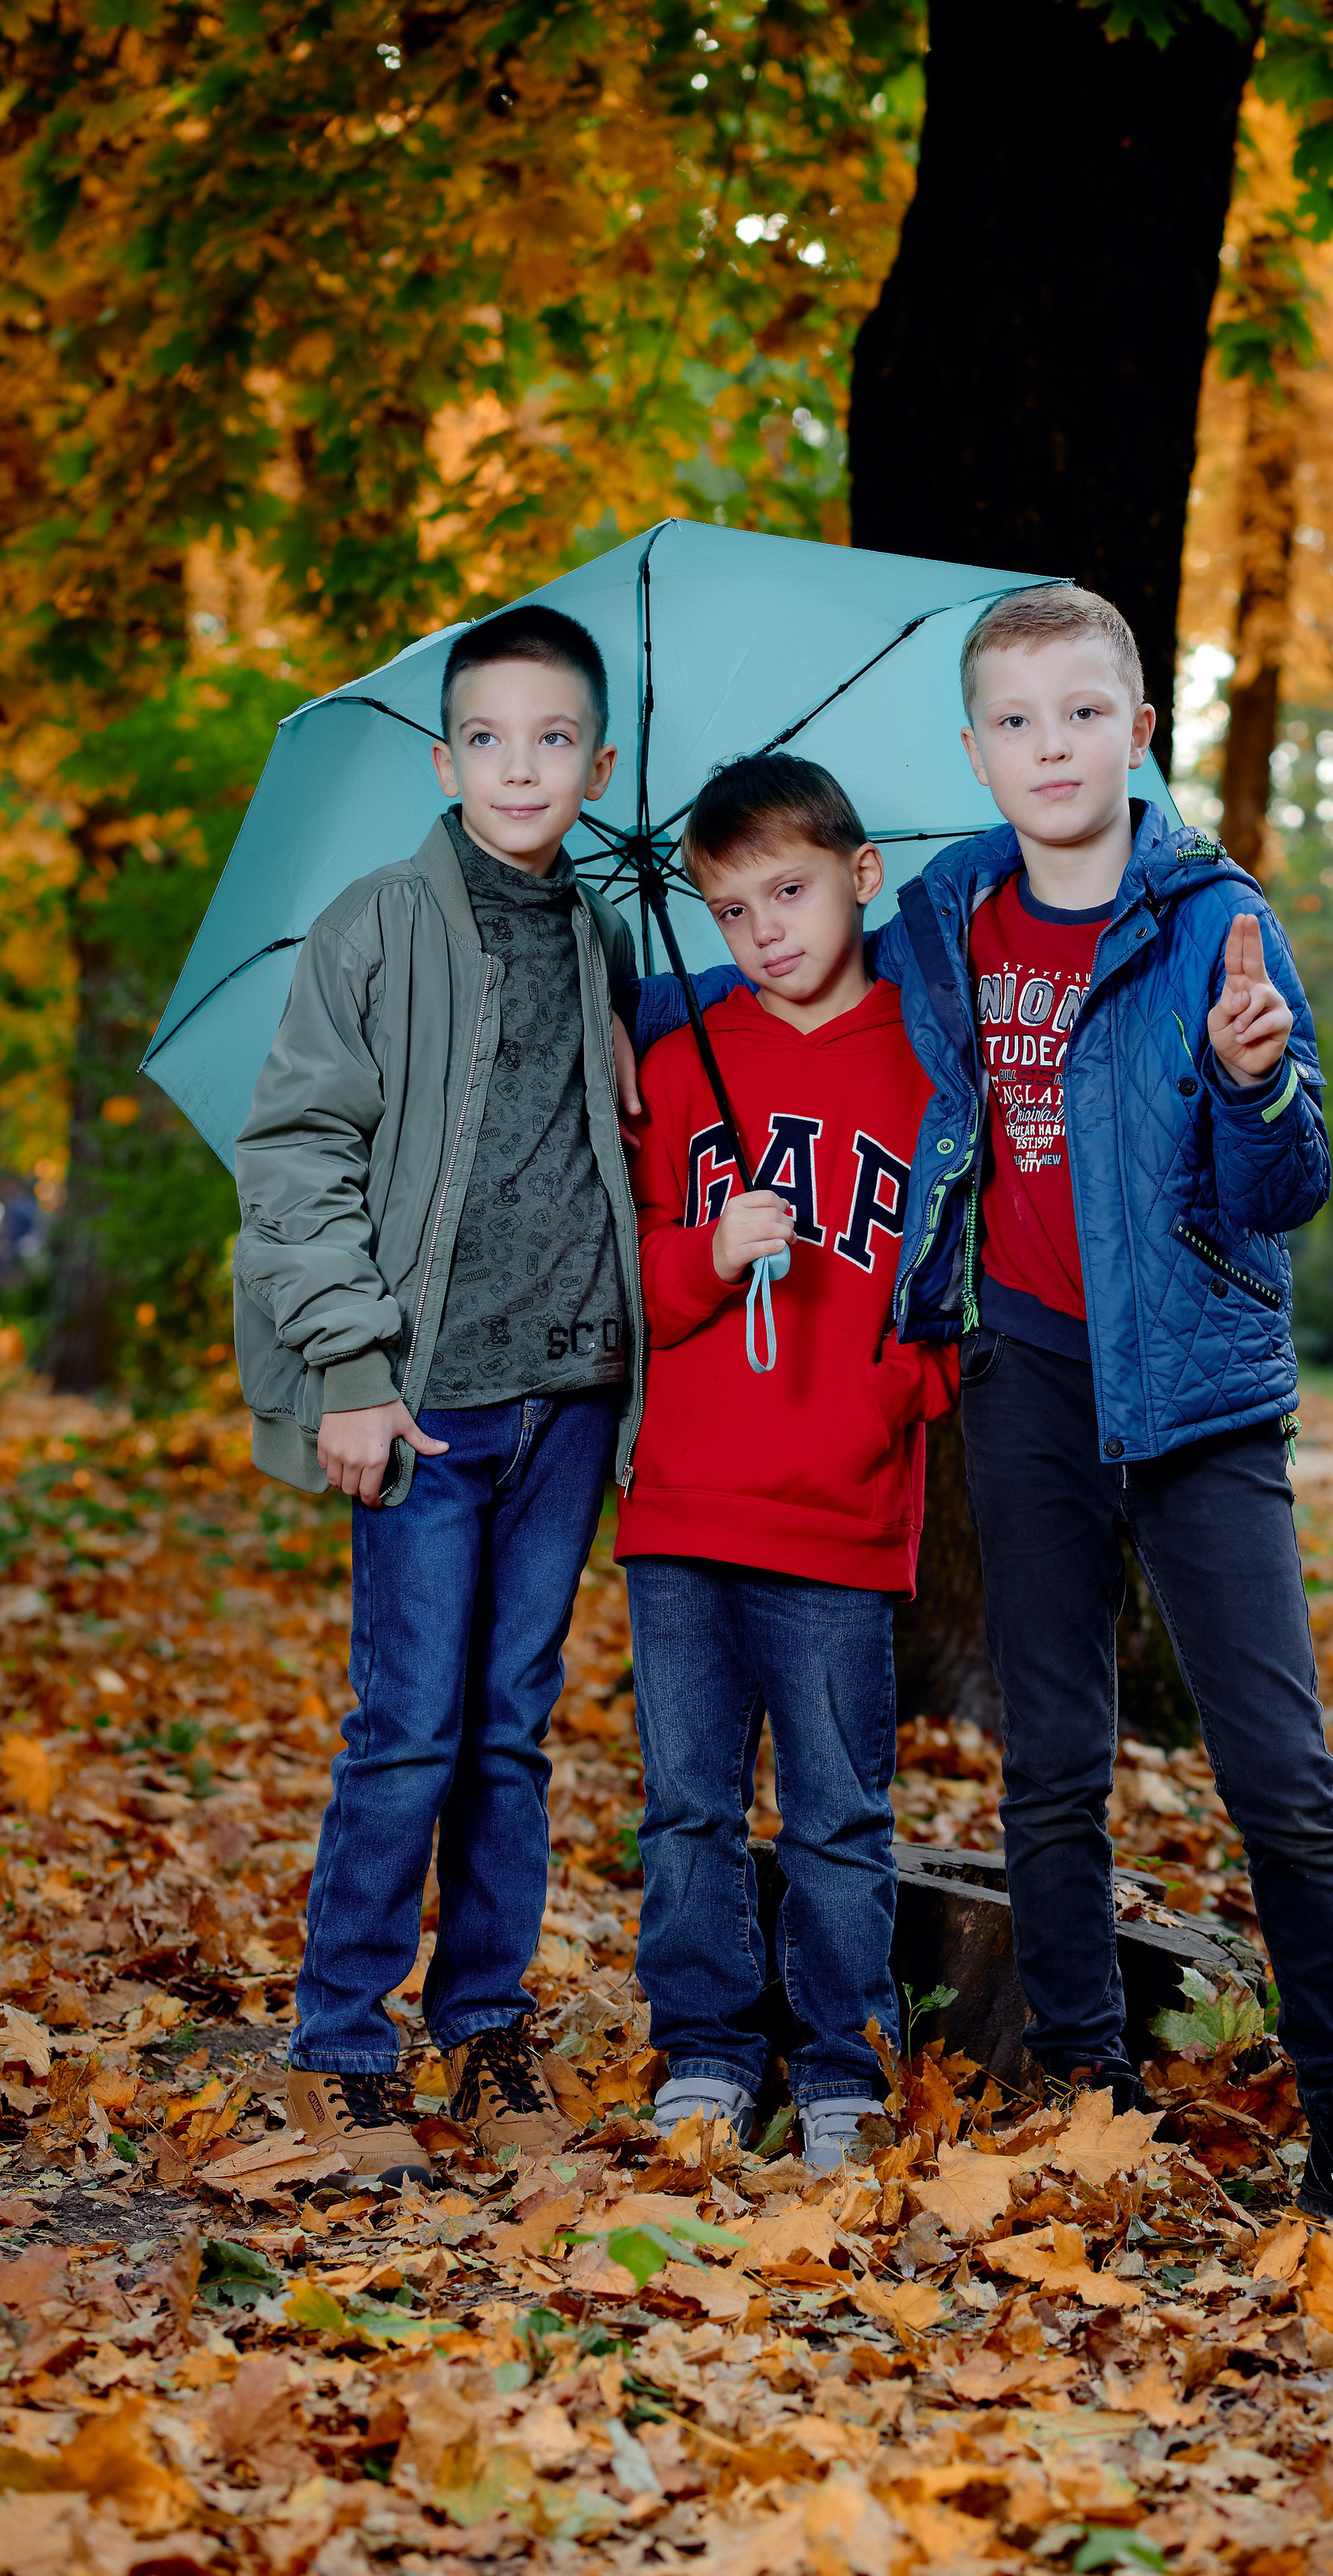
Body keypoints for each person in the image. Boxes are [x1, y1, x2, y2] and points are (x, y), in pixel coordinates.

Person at [870, 582, 1333, 2225]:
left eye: (1080, 714)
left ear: (1137, 732)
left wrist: (1262, 1079)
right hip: (1028, 1370)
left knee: (1275, 1757)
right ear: (978, 753)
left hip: (1196, 1378)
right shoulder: (947, 916)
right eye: (1014, 721)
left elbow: (1286, 1187)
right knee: (1049, 1755)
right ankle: (1089, 2078)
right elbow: (822, 1003)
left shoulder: (1210, 920)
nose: (1050, 747)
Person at [235, 603, 652, 2185]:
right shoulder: (375, 928)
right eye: (490, 738)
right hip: (420, 1402)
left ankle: (481, 2027)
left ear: (597, 764)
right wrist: (345, 1363)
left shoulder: (603, 935)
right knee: (405, 1726)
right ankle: (339, 2040)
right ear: (446, 755)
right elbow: (297, 1156)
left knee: (510, 1728)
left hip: (567, 1395)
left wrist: (638, 1043)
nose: (522, 765)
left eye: (555, 740)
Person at [614, 755, 959, 2171]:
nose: (765, 929)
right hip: (686, 1503)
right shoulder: (678, 1064)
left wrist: (899, 1386)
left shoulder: (927, 1060)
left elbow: (958, 1276)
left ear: (860, 877)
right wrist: (710, 1250)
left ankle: (842, 2063)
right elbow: (623, 1279)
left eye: (791, 890)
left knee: (835, 1808)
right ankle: (705, 2046)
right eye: (732, 906)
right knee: (689, 1799)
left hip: (837, 1507)